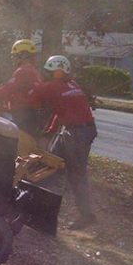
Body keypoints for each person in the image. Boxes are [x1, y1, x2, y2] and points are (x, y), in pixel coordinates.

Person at [28, 55, 98, 229]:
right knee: (50, 165)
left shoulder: (51, 86)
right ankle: (34, 207)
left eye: (50, 72)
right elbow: (60, 112)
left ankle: (87, 215)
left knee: (76, 174)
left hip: (78, 133)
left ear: (58, 73)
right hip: (76, 130)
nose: (48, 74)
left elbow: (32, 98)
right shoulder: (72, 84)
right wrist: (49, 131)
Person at [0, 39, 42, 133]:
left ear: (23, 55)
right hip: (28, 113)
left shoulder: (23, 71)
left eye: (15, 55)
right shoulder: (33, 71)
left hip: (22, 114)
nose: (13, 58)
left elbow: (7, 90)